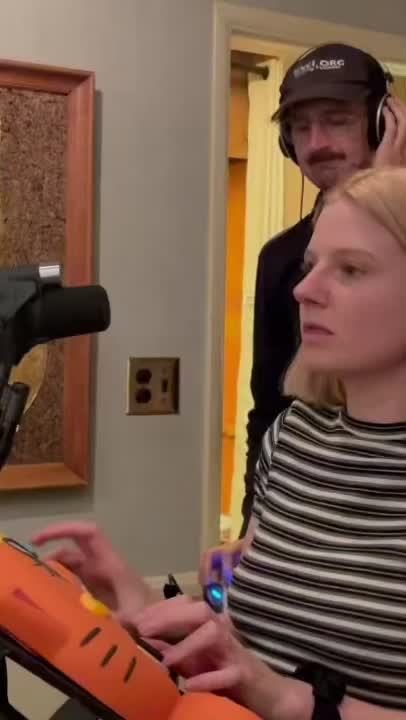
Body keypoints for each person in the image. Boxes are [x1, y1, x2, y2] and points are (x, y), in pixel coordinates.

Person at [33, 166, 406, 718]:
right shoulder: (295, 437)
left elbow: (272, 685)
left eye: (350, 269)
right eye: (311, 266)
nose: (303, 290)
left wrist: (286, 700)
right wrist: (141, 603)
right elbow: (257, 635)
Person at [199, 41, 406, 585]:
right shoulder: (280, 259)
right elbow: (268, 407)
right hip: (310, 507)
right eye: (300, 127)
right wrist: (255, 534)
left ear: (382, 123)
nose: (317, 144)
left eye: (337, 121)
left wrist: (386, 195)